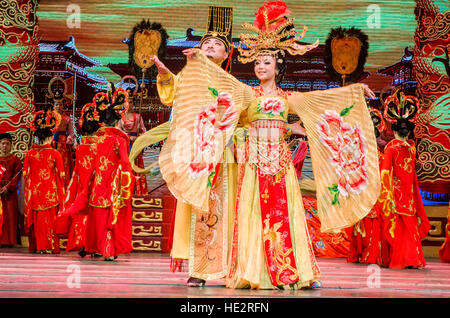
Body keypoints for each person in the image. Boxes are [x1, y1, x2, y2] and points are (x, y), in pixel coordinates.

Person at [157, 0, 380, 290]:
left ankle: (295, 271)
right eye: (258, 62)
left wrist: (353, 92)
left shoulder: (289, 99)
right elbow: (220, 82)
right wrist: (198, 60)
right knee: (250, 216)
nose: (261, 66)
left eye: (267, 63)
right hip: (252, 162)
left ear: (278, 67)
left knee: (286, 215)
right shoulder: (246, 93)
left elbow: (322, 100)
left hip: (280, 163)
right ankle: (251, 271)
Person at [131, 6, 240, 287]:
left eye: (218, 45)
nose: (211, 46)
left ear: (226, 55)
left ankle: (223, 265)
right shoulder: (189, 77)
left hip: (221, 153)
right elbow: (172, 95)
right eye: (206, 44)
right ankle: (197, 267)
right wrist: (166, 73)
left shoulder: (230, 83)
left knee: (219, 209)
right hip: (195, 155)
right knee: (193, 207)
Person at [64, 85, 135, 261]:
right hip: (112, 186)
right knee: (109, 218)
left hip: (97, 185)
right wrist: (130, 180)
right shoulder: (119, 140)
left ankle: (95, 248)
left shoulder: (99, 140)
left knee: (97, 217)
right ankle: (108, 251)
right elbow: (125, 162)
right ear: (118, 119)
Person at [378, 90, 431, 269]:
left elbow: (385, 174)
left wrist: (386, 197)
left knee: (400, 228)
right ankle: (411, 259)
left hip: (398, 195)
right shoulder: (406, 148)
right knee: (407, 227)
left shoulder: (396, 149)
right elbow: (405, 175)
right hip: (405, 195)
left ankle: (402, 259)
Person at [55, 103, 100, 257]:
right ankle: (96, 246)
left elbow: (77, 172)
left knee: (83, 214)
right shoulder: (102, 146)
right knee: (97, 215)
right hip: (98, 187)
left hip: (83, 187)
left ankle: (84, 244)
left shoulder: (81, 148)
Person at [347, 108, 386, 264]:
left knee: (366, 225)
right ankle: (369, 254)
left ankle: (361, 254)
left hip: (366, 195)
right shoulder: (379, 156)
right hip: (370, 195)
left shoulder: (361, 157)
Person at [23, 109, 65, 254]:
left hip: (35, 193)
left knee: (38, 222)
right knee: (50, 221)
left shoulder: (30, 154)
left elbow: (26, 175)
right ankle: (50, 246)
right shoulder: (55, 154)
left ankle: (39, 246)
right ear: (50, 137)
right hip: (51, 193)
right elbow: (62, 175)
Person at [118, 88, 148, 195]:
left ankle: (138, 190)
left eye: (131, 102)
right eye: (127, 102)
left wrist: (138, 136)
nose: (129, 104)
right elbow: (118, 132)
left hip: (135, 146)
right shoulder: (120, 118)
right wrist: (127, 137)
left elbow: (143, 132)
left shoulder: (138, 117)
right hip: (125, 146)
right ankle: (124, 190)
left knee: (136, 165)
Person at [0, 133, 22, 247]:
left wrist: (7, 187)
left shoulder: (15, 159)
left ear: (11, 145)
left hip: (10, 192)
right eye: (3, 143)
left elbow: (17, 176)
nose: (5, 146)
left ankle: (9, 241)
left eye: (7, 144)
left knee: (10, 216)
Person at [52, 96, 74, 188]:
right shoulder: (50, 117)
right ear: (54, 105)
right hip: (52, 141)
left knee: (63, 163)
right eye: (56, 104)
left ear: (63, 106)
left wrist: (69, 139)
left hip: (63, 143)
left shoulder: (67, 118)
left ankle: (64, 184)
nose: (58, 106)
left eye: (60, 104)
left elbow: (71, 131)